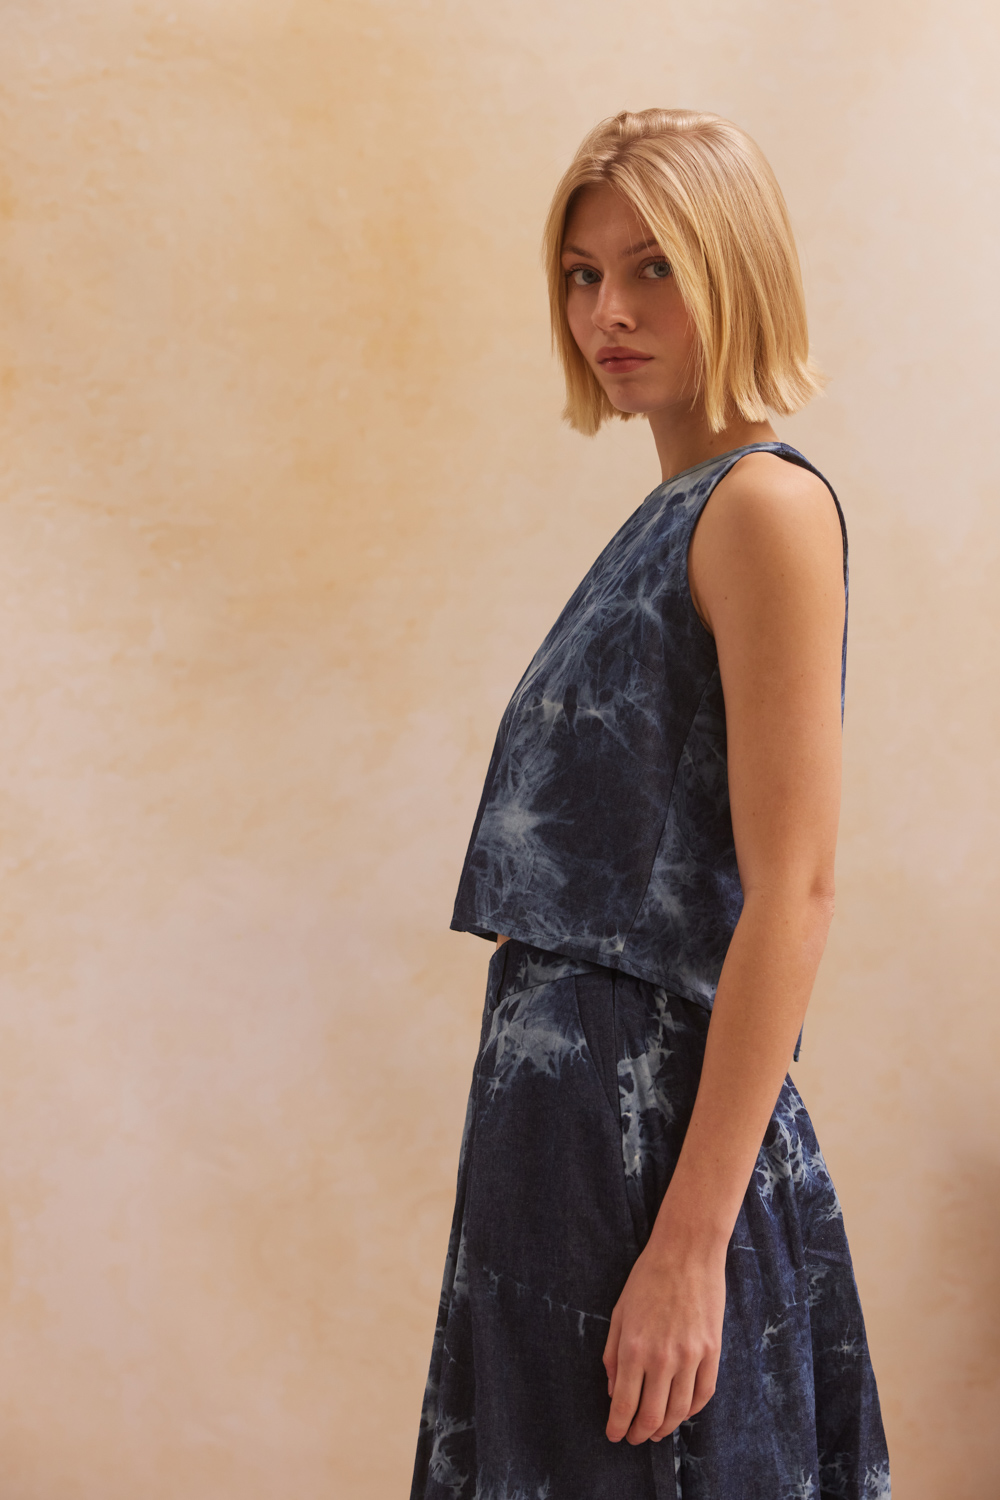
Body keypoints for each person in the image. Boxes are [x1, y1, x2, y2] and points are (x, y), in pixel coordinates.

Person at [410, 108, 890, 1500]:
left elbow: (795, 889)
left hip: (647, 1142)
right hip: (558, 1142)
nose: (606, 312)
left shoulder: (764, 510)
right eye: (581, 274)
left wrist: (689, 1245)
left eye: (653, 267)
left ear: (734, 267)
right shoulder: (673, 513)